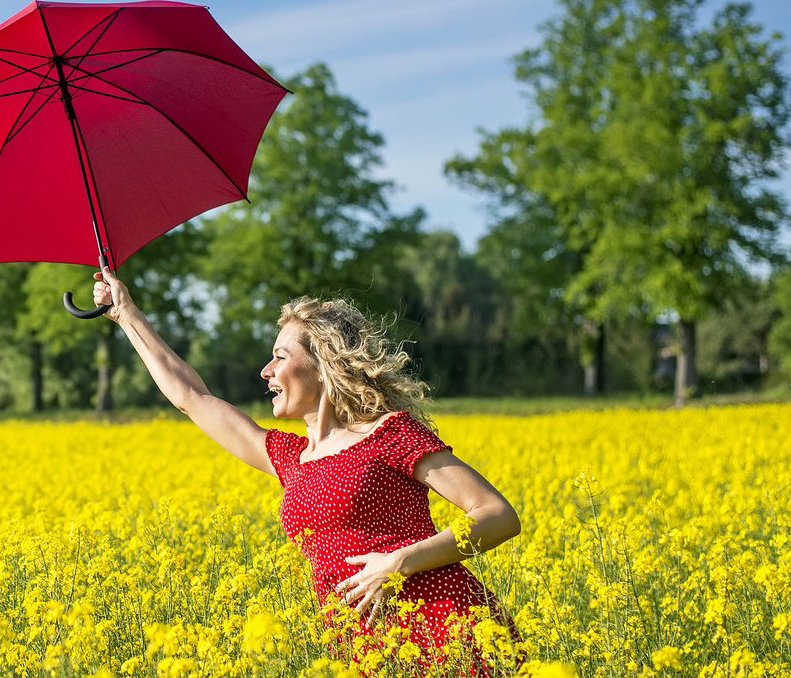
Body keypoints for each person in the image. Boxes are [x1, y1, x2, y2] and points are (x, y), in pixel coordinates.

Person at [90, 268, 527, 675]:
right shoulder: (291, 458)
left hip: (447, 629)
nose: (267, 371)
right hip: (364, 646)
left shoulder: (390, 435)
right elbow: (192, 396)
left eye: (280, 356)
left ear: (323, 365)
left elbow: (497, 515)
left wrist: (400, 562)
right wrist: (125, 314)